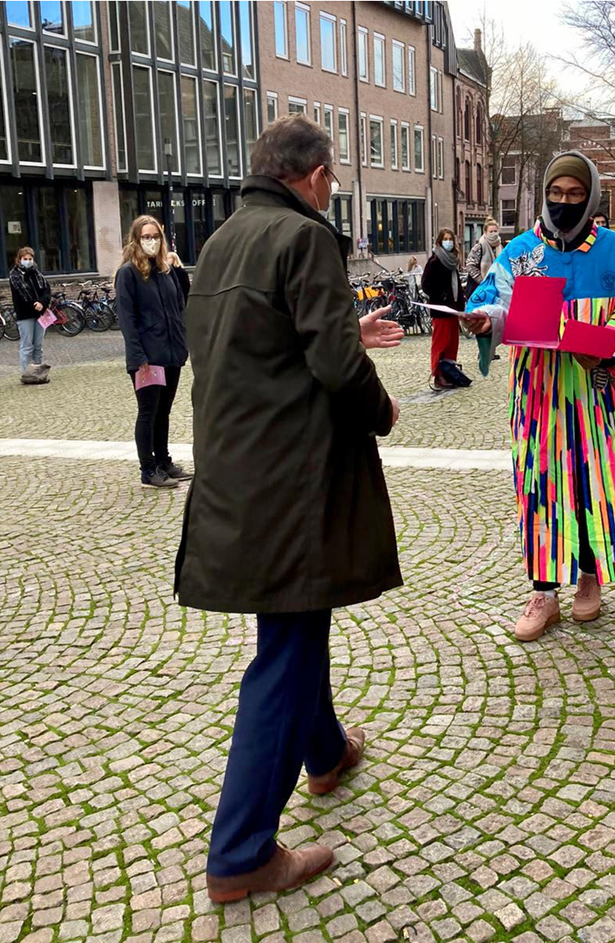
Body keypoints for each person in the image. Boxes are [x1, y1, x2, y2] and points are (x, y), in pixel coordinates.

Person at [174, 114, 404, 903]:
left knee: (298, 621)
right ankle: (240, 853)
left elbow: (266, 347)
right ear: (311, 177)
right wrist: (382, 406)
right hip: (293, 477)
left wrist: (349, 331)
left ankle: (328, 752)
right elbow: (334, 367)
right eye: (332, 179)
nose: (331, 192)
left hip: (241, 473)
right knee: (287, 650)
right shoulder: (305, 238)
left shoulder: (222, 240)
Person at [465, 150, 615, 643]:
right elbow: (489, 300)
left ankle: (590, 578)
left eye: (574, 194)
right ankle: (543, 592)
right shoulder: (521, 252)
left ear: (590, 197)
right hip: (539, 397)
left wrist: (605, 350)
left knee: (596, 484)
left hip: (597, 396)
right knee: (541, 485)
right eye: (556, 193)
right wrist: (487, 320)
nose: (564, 202)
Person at [116, 216, 191, 489]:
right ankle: (148, 469)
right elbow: (127, 319)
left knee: (164, 412)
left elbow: (183, 298)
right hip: (147, 357)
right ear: (136, 240)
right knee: (148, 412)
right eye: (146, 237)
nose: (151, 241)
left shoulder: (165, 270)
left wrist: (178, 268)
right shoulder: (128, 273)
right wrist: (138, 358)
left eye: (156, 236)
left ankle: (164, 461)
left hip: (171, 353)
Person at [422, 228, 466, 388]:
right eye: (445, 239)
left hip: (453, 308)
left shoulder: (453, 261)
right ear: (440, 242)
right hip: (441, 310)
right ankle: (437, 374)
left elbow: (457, 287)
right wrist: (441, 296)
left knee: (452, 343)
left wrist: (461, 305)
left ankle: (449, 371)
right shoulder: (434, 262)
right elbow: (426, 285)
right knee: (440, 343)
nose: (448, 242)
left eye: (450, 239)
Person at [9, 247, 51, 383]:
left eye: (30, 259)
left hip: (40, 313)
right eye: (25, 259)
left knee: (38, 345)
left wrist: (42, 303)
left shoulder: (37, 274)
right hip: (25, 314)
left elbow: (46, 290)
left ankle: (38, 373)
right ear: (19, 260)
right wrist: (35, 304)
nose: (28, 261)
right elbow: (22, 294)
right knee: (27, 345)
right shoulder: (15, 275)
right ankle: (26, 374)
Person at [465, 217, 503, 297]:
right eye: (491, 231)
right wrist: (483, 281)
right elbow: (470, 265)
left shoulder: (500, 247)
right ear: (485, 232)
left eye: (495, 231)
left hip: (495, 289)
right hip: (478, 290)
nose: (493, 233)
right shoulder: (479, 246)